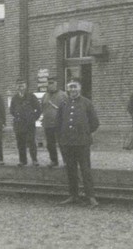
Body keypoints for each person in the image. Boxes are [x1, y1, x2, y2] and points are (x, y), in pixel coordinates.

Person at [57, 78, 100, 206]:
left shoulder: (87, 103)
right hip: (68, 143)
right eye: (70, 87)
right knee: (70, 169)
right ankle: (73, 195)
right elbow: (58, 122)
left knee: (85, 169)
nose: (72, 89)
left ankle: (90, 197)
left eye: (75, 87)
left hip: (82, 143)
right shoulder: (64, 104)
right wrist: (63, 137)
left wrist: (84, 134)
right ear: (67, 89)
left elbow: (95, 123)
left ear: (80, 88)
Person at [9, 78, 41, 167]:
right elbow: (11, 110)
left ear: (25, 86)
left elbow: (38, 109)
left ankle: (34, 160)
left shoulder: (31, 96)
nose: (21, 87)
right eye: (19, 85)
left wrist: (33, 118)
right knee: (20, 143)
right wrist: (17, 116)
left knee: (31, 142)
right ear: (16, 87)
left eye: (22, 85)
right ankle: (23, 161)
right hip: (19, 124)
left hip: (29, 124)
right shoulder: (14, 98)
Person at [41, 76, 68, 167]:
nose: (50, 85)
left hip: (59, 124)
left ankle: (66, 161)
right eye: (49, 83)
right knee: (50, 144)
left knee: (62, 143)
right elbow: (43, 107)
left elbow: (67, 109)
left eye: (52, 83)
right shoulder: (45, 96)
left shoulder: (63, 95)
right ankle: (54, 161)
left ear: (56, 84)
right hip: (48, 124)